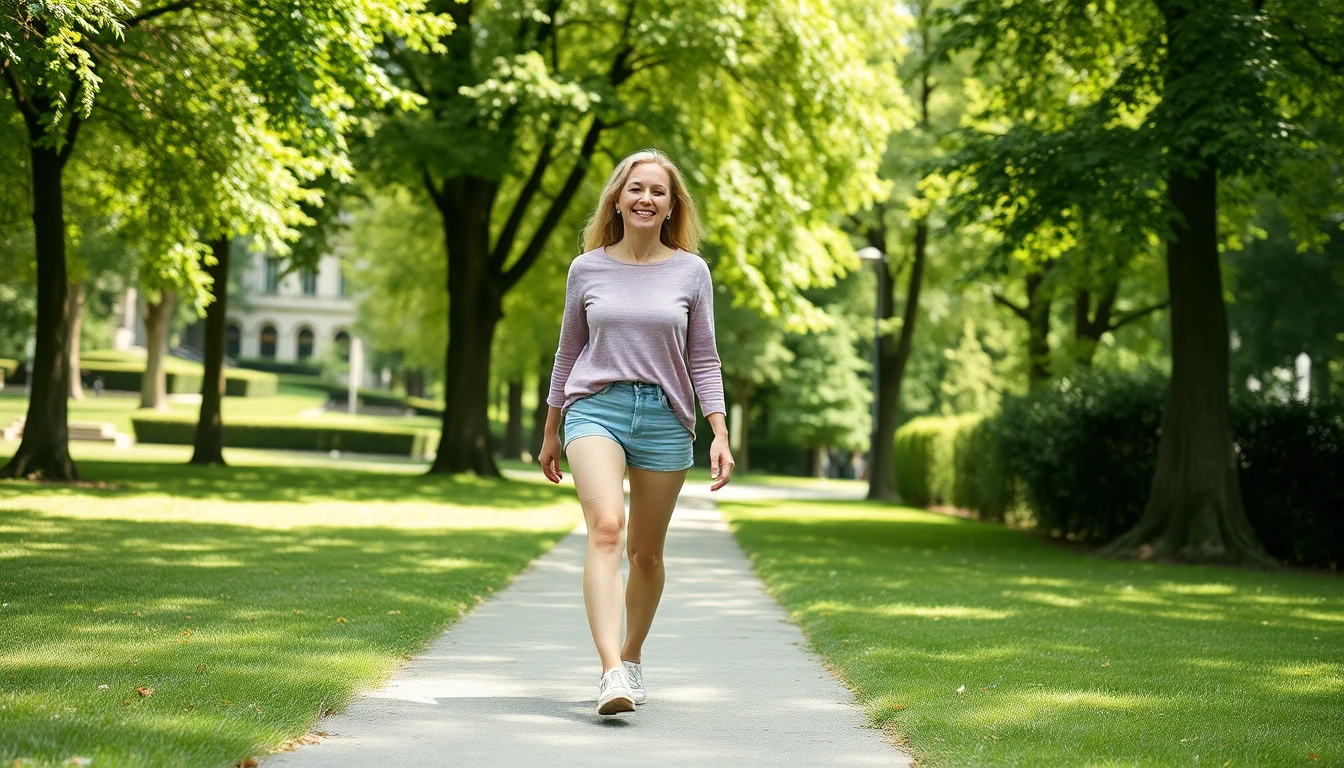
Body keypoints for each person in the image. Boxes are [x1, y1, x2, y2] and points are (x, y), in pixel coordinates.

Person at [538, 149, 735, 716]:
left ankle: (632, 654)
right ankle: (609, 672)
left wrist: (719, 431)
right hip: (595, 407)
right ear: (618, 200)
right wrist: (552, 428)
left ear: (673, 206)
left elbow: (704, 359)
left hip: (666, 419)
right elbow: (567, 352)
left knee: (646, 554)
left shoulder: (691, 271)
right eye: (636, 189)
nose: (646, 199)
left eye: (659, 191)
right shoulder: (588, 268)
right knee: (606, 529)